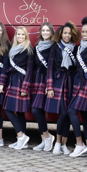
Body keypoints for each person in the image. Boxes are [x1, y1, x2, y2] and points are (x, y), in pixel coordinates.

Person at [0, 26, 34, 149]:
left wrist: (25, 88)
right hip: (12, 81)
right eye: (18, 34)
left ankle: (21, 137)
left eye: (22, 35)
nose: (20, 37)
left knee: (12, 111)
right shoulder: (12, 49)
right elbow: (6, 67)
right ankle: (21, 140)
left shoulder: (29, 50)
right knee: (16, 112)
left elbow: (29, 71)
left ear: (26, 36)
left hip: (21, 82)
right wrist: (2, 83)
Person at [46, 22, 78, 155]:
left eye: (69, 33)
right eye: (65, 33)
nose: (67, 35)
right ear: (61, 34)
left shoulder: (75, 48)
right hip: (59, 82)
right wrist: (50, 86)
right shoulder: (55, 48)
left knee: (69, 115)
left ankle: (64, 144)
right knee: (63, 113)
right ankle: (58, 143)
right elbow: (50, 68)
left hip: (71, 83)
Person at [68, 17, 87, 157]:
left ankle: (80, 144)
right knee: (85, 116)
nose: (84, 34)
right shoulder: (80, 46)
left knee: (72, 111)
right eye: (83, 32)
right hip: (78, 83)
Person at [30, 22, 57, 152]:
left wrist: (49, 84)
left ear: (51, 32)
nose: (45, 32)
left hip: (47, 80)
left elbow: (53, 67)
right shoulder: (37, 46)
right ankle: (44, 138)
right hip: (37, 80)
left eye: (48, 30)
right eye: (43, 30)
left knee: (37, 110)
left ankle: (48, 136)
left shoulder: (54, 47)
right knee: (37, 110)